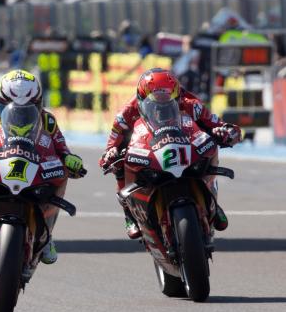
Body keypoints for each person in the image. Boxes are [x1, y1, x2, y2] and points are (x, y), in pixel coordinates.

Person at [0, 69, 85, 264]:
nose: (21, 112)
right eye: (11, 105)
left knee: (58, 176)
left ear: (38, 103)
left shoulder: (47, 120)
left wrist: (69, 159)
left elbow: (61, 147)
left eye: (30, 106)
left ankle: (46, 234)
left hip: (30, 163)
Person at [98, 68, 242, 239]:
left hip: (182, 140)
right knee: (118, 165)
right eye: (156, 104)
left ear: (177, 96)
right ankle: (129, 213)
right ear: (142, 99)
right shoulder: (125, 114)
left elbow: (216, 124)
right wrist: (111, 154)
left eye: (168, 102)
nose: (162, 107)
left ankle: (211, 199)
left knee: (210, 144)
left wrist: (223, 132)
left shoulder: (191, 103)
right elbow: (109, 148)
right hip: (146, 145)